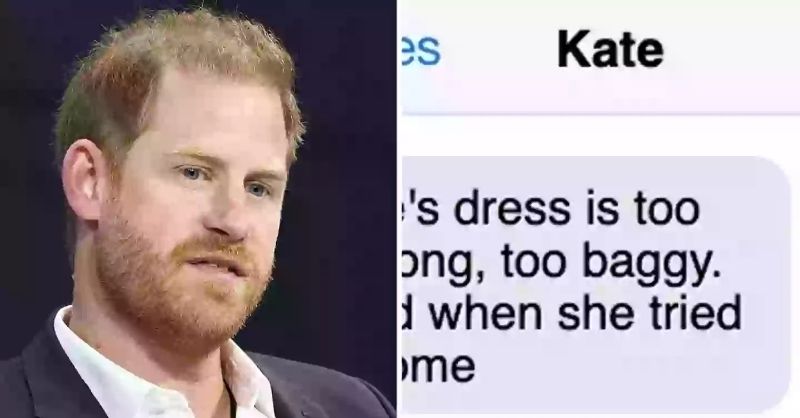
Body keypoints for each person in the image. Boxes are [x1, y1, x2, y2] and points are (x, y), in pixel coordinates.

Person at [0, 8, 395, 418]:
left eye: (258, 188)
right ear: (90, 181)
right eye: (194, 173)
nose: (233, 222)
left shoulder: (358, 409)